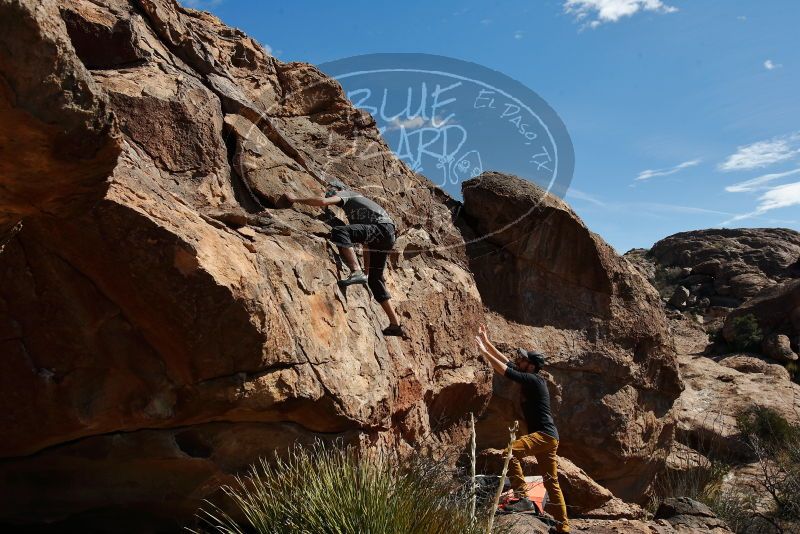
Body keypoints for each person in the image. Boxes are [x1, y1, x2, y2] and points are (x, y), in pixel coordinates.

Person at [475, 324, 570, 533]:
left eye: (525, 360)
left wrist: (483, 352)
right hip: (550, 437)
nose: (521, 360)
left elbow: (504, 370)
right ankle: (564, 527)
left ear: (532, 366)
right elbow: (506, 362)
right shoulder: (531, 377)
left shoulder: (534, 380)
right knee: (551, 482)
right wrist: (487, 340)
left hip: (544, 435)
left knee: (511, 452)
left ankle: (522, 497)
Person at [284, 181, 404, 337]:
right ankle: (395, 324)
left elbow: (322, 201)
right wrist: (367, 272)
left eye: (332, 192)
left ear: (339, 190)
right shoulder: (359, 212)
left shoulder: (348, 194)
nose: (331, 195)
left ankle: (355, 271)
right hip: (387, 235)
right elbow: (368, 245)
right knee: (375, 280)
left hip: (381, 228)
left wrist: (295, 199)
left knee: (340, 231)